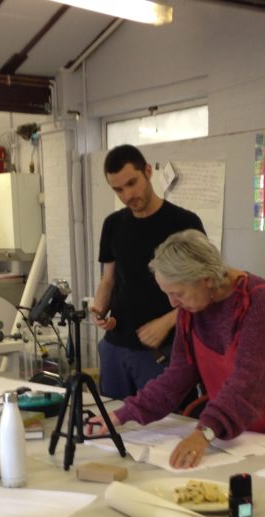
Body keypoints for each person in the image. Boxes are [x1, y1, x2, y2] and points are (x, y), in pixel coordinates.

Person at [88, 230, 265, 468]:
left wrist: (205, 432)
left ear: (206, 279)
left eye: (178, 293)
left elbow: (247, 381)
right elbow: (177, 377)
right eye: (168, 294)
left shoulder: (259, 300)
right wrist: (121, 415)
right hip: (236, 415)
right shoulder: (190, 311)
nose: (173, 304)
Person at [90, 144, 205, 399]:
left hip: (163, 351)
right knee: (114, 426)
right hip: (116, 348)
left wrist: (166, 322)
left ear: (148, 172)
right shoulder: (113, 225)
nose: (127, 194)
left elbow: (203, 289)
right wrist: (99, 310)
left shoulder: (184, 223)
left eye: (132, 183)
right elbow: (108, 280)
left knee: (167, 428)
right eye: (118, 189)